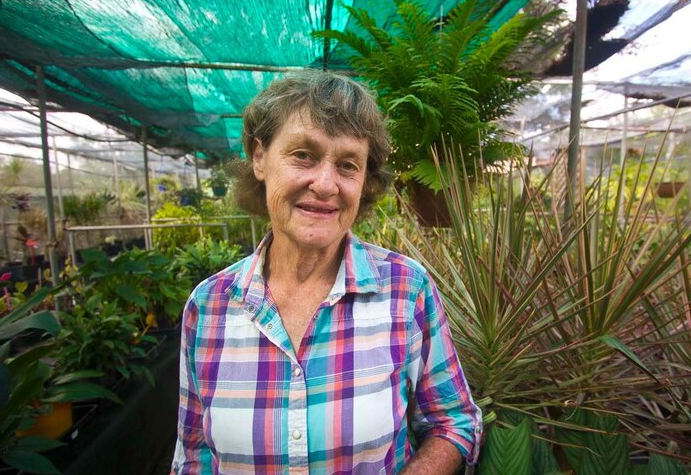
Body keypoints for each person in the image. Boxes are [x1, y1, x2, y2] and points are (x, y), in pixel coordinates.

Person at [170, 70, 482, 475]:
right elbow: (193, 455)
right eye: (304, 155)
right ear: (260, 157)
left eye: (348, 164)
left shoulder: (406, 291)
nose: (326, 184)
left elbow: (453, 422)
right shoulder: (210, 307)